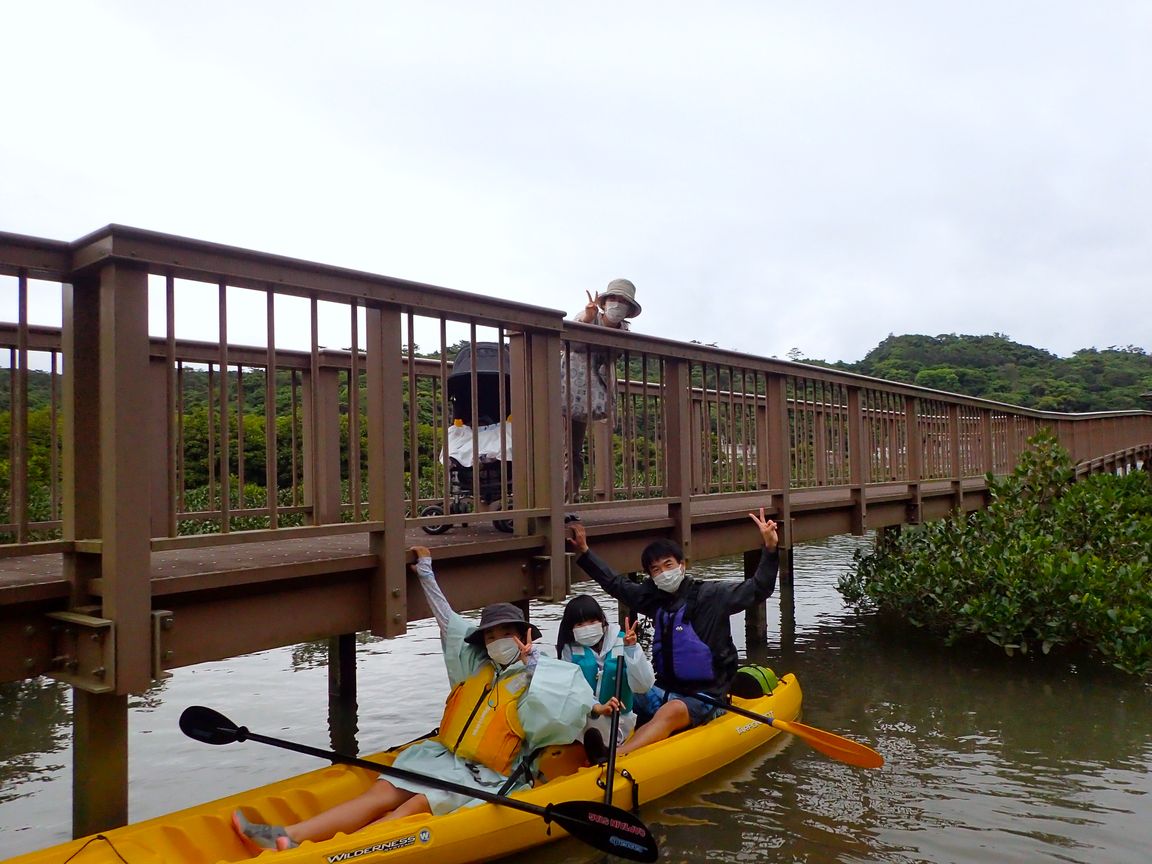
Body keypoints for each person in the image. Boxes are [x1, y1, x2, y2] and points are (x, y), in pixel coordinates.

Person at [232, 545, 597, 852]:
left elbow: (556, 720)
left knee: (413, 806)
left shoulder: (547, 675)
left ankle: (334, 854)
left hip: (489, 776)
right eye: (491, 636)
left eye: (507, 634)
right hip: (443, 758)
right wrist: (426, 574)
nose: (498, 642)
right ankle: (288, 836)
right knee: (380, 793)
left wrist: (532, 664)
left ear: (524, 635)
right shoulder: (476, 668)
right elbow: (448, 621)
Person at [566, 509, 779, 757]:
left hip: (707, 698)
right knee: (618, 687)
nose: (663, 572)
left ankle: (617, 755)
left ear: (682, 565)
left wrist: (770, 549)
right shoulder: (654, 600)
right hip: (662, 691)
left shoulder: (713, 596)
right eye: (656, 570)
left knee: (672, 710)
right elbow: (616, 585)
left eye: (668, 565)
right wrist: (584, 553)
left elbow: (759, 589)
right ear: (651, 576)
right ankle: (584, 743)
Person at [561, 278, 641, 499]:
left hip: (589, 394)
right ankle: (555, 502)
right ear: (604, 302)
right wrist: (587, 320)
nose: (617, 304)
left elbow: (614, 356)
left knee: (573, 449)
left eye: (622, 301)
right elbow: (567, 342)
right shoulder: (587, 315)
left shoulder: (623, 331)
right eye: (613, 299)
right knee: (561, 447)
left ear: (628, 309)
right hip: (564, 386)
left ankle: (569, 500)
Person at [555, 594, 655, 762]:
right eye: (580, 624)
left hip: (619, 719)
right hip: (585, 716)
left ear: (602, 621)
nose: (587, 627)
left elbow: (643, 686)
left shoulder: (624, 641)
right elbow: (570, 690)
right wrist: (596, 707)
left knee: (602, 731)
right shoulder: (569, 650)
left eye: (592, 621)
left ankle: (606, 752)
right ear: (571, 628)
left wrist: (632, 650)